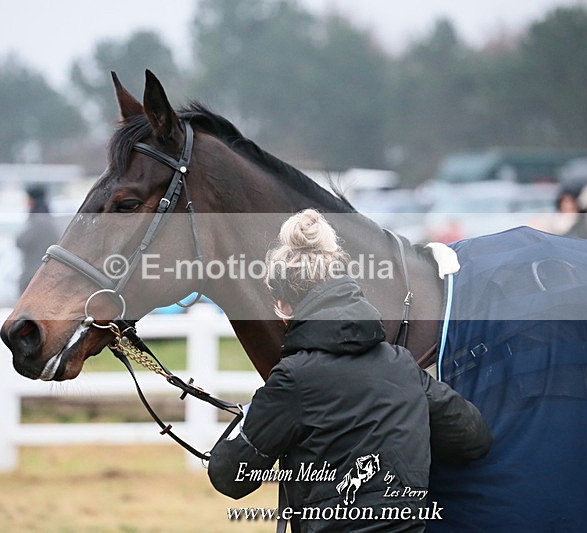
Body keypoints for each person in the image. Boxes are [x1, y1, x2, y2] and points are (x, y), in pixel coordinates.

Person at [207, 209, 492, 532]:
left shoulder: (292, 380)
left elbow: (229, 477)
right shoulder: (402, 365)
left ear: (283, 305)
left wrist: (250, 419)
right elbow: (473, 437)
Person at [16, 185, 60, 293]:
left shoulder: (38, 220)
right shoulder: (48, 218)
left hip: (35, 275)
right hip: (44, 274)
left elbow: (20, 241)